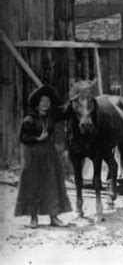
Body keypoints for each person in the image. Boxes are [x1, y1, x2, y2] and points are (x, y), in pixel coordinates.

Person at [15, 85, 72, 228]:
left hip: (49, 153)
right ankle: (33, 219)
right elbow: (23, 137)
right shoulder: (30, 118)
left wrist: (74, 100)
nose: (45, 104)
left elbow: (65, 112)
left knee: (52, 182)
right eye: (42, 101)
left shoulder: (52, 116)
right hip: (33, 154)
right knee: (33, 183)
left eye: (47, 101)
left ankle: (54, 217)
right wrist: (38, 139)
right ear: (37, 103)